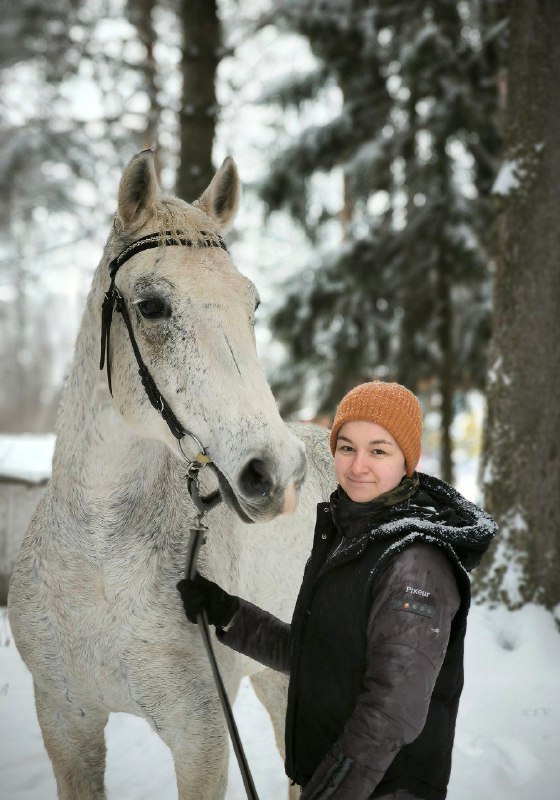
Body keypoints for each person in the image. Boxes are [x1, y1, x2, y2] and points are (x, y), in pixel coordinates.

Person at [177, 380, 497, 799]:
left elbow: (392, 713)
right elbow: (317, 657)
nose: (358, 466)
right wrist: (227, 612)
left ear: (408, 461)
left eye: (378, 450)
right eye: (347, 448)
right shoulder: (351, 537)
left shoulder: (415, 564)